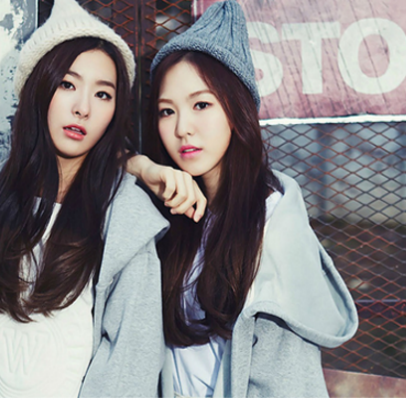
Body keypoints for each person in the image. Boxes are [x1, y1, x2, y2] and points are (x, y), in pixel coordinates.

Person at [0, 0, 168, 396]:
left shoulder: (125, 223)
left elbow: (131, 366)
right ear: (37, 88)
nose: (82, 108)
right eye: (68, 84)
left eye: (103, 94)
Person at [128, 0, 358, 396]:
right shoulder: (174, 210)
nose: (183, 128)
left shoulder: (271, 227)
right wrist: (144, 168)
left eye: (201, 104)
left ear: (236, 109)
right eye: (167, 111)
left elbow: (285, 384)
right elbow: (92, 171)